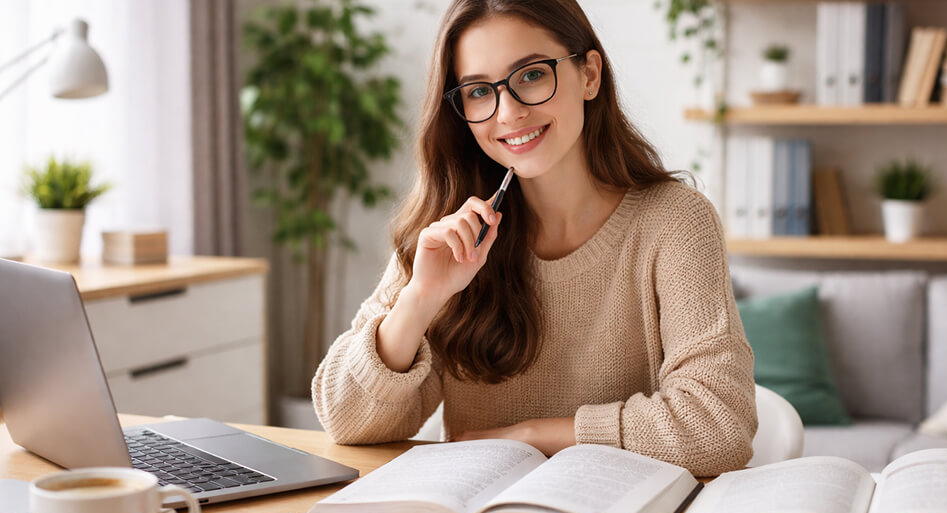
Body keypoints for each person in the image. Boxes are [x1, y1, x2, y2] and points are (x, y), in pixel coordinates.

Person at [312, 0, 756, 476]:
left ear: (589, 75)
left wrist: (533, 437)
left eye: (530, 75)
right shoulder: (449, 230)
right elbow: (346, 420)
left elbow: (719, 426)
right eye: (480, 91)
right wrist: (422, 298)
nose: (508, 112)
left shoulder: (675, 222)